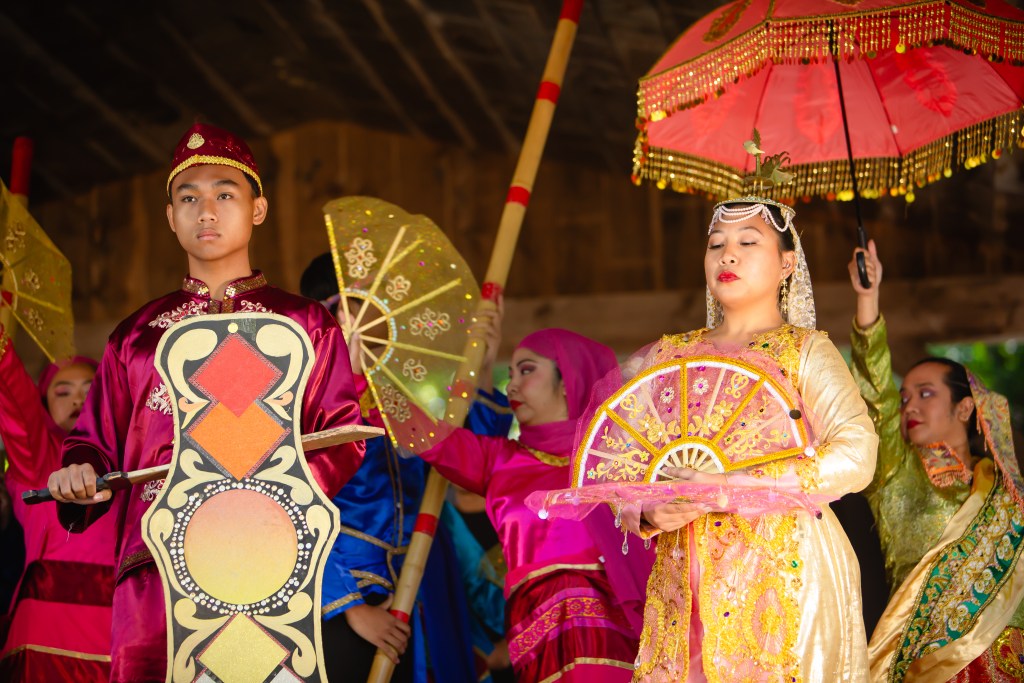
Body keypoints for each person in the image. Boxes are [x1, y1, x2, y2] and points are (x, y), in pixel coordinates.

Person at [45, 123, 365, 683]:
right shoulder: (136, 336)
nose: (206, 211)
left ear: (258, 209)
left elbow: (341, 436)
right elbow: (93, 441)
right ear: (171, 218)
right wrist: (80, 472)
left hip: (268, 565)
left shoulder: (303, 325)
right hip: (156, 568)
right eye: (188, 199)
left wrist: (260, 496)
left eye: (225, 194)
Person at [618, 157, 877, 681]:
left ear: (786, 264)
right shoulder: (668, 358)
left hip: (786, 572)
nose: (727, 254)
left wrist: (731, 485)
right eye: (716, 244)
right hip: (684, 576)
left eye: (748, 242)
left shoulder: (805, 351)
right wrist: (646, 511)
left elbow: (857, 454)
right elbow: (622, 460)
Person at [299, 252, 509, 683]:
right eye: (346, 309)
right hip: (336, 595)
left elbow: (479, 464)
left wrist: (483, 370)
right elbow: (291, 506)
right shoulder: (300, 400)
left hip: (424, 587)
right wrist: (352, 609)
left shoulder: (411, 391)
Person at [413, 317, 653, 682]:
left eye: (527, 370)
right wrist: (359, 373)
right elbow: (417, 429)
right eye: (510, 373)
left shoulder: (622, 461)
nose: (512, 384)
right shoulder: (497, 460)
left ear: (568, 381)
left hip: (617, 637)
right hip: (536, 639)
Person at [849, 241, 1024, 682]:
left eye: (926, 394)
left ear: (966, 408)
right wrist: (868, 301)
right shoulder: (895, 468)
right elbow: (875, 390)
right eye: (905, 396)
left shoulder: (1001, 487)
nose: (909, 405)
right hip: (927, 664)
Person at [0, 345, 114, 681]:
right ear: (44, 403)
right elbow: (13, 395)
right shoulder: (36, 457)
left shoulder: (131, 461)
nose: (78, 401)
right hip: (46, 634)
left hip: (123, 627)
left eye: (91, 390)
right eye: (63, 392)